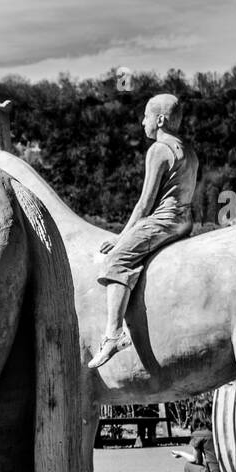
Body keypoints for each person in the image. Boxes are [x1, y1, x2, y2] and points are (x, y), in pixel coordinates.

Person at [88, 94, 199, 369]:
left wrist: (120, 239)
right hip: (185, 221)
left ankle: (113, 334)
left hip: (164, 220)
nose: (142, 122)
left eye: (146, 117)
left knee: (116, 260)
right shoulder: (189, 150)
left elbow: (144, 204)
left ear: (160, 120)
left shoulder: (159, 150)